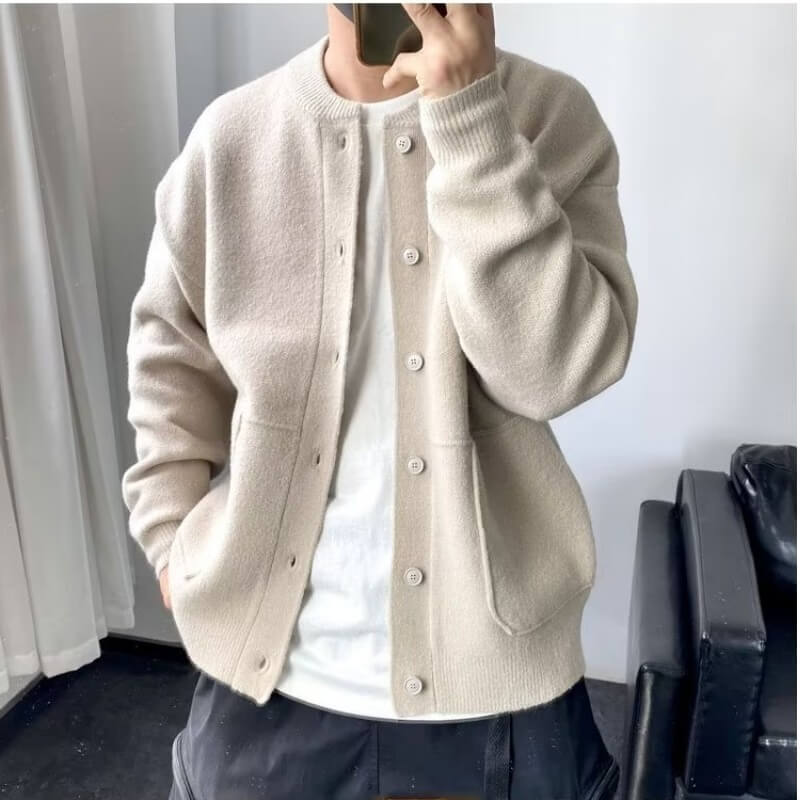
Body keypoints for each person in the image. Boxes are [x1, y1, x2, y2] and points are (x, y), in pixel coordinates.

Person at [122, 3, 638, 798]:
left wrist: (472, 121)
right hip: (268, 682)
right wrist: (168, 532)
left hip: (496, 689)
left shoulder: (547, 116)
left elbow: (555, 371)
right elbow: (170, 351)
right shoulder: (232, 138)